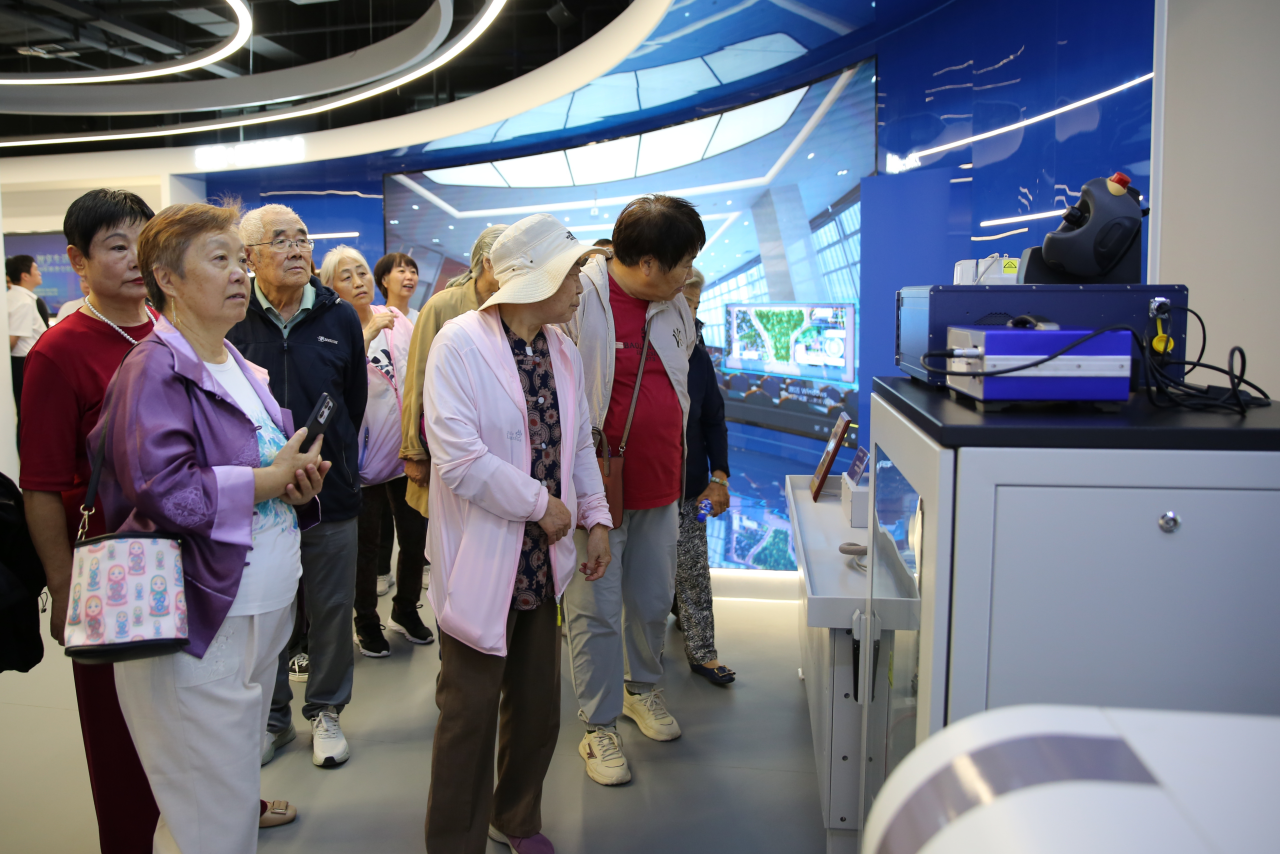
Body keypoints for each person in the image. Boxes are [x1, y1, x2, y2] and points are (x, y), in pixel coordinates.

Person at [95, 201, 327, 852]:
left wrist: (297, 482)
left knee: (228, 779)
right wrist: (269, 481)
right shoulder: (153, 367)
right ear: (168, 279)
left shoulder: (237, 363)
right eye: (218, 259)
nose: (238, 274)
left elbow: (265, 464)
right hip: (199, 614)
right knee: (208, 805)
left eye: (239, 260)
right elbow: (165, 488)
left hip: (255, 606)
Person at [422, 213, 612, 854]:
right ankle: (454, 842)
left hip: (542, 560)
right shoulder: (458, 344)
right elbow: (459, 460)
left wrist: (595, 516)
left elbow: (578, 443)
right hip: (483, 558)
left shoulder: (562, 349)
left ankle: (517, 817)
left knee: (537, 709)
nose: (581, 287)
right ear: (536, 279)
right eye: (573, 274)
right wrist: (541, 506)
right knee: (468, 714)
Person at [19, 189, 161, 853]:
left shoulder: (172, 326)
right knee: (117, 728)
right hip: (112, 566)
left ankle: (223, 810)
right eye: (116, 246)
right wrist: (63, 586)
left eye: (144, 243)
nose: (136, 259)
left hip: (192, 555)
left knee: (199, 704)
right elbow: (43, 486)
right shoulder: (59, 351)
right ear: (77, 260)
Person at [561, 194, 703, 786]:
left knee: (650, 600)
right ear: (647, 263)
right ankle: (598, 726)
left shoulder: (675, 306)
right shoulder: (579, 299)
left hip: (660, 483)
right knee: (595, 610)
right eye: (682, 261)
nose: (689, 273)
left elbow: (685, 380)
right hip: (596, 492)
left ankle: (642, 688)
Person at [225, 203, 368, 768]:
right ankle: (274, 717)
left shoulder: (339, 317)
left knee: (331, 607)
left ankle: (326, 710)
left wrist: (331, 462)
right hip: (260, 499)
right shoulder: (234, 315)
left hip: (330, 492)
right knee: (270, 609)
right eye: (280, 240)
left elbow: (352, 402)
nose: (296, 250)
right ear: (251, 256)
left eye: (303, 239)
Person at [318, 245, 434, 656]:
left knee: (415, 539)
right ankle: (366, 620)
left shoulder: (398, 320)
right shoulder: (330, 328)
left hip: (405, 454)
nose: (358, 281)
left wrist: (419, 444)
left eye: (362, 272)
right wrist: (365, 336)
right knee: (365, 549)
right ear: (330, 286)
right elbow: (331, 386)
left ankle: (405, 610)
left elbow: (417, 378)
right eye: (345, 276)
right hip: (359, 462)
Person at [399, 224, 509, 518]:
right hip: (447, 446)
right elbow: (417, 380)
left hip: (499, 449)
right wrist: (414, 451)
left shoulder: (513, 307)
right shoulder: (442, 306)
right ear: (488, 262)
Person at [673, 268, 734, 683]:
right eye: (685, 302)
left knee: (695, 569)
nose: (691, 312)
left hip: (693, 490)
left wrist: (720, 477)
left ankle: (703, 653)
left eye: (696, 304)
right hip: (643, 490)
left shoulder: (698, 353)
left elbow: (713, 417)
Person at [7, 254, 47, 415]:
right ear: (25, 276)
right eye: (36, 269)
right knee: (30, 412)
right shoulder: (23, 301)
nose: (39, 273)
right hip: (24, 363)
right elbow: (12, 340)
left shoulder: (12, 297)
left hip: (21, 362)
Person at [374, 252, 421, 321]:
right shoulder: (375, 317)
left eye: (413, 272)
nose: (409, 277)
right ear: (384, 280)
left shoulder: (421, 319)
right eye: (402, 271)